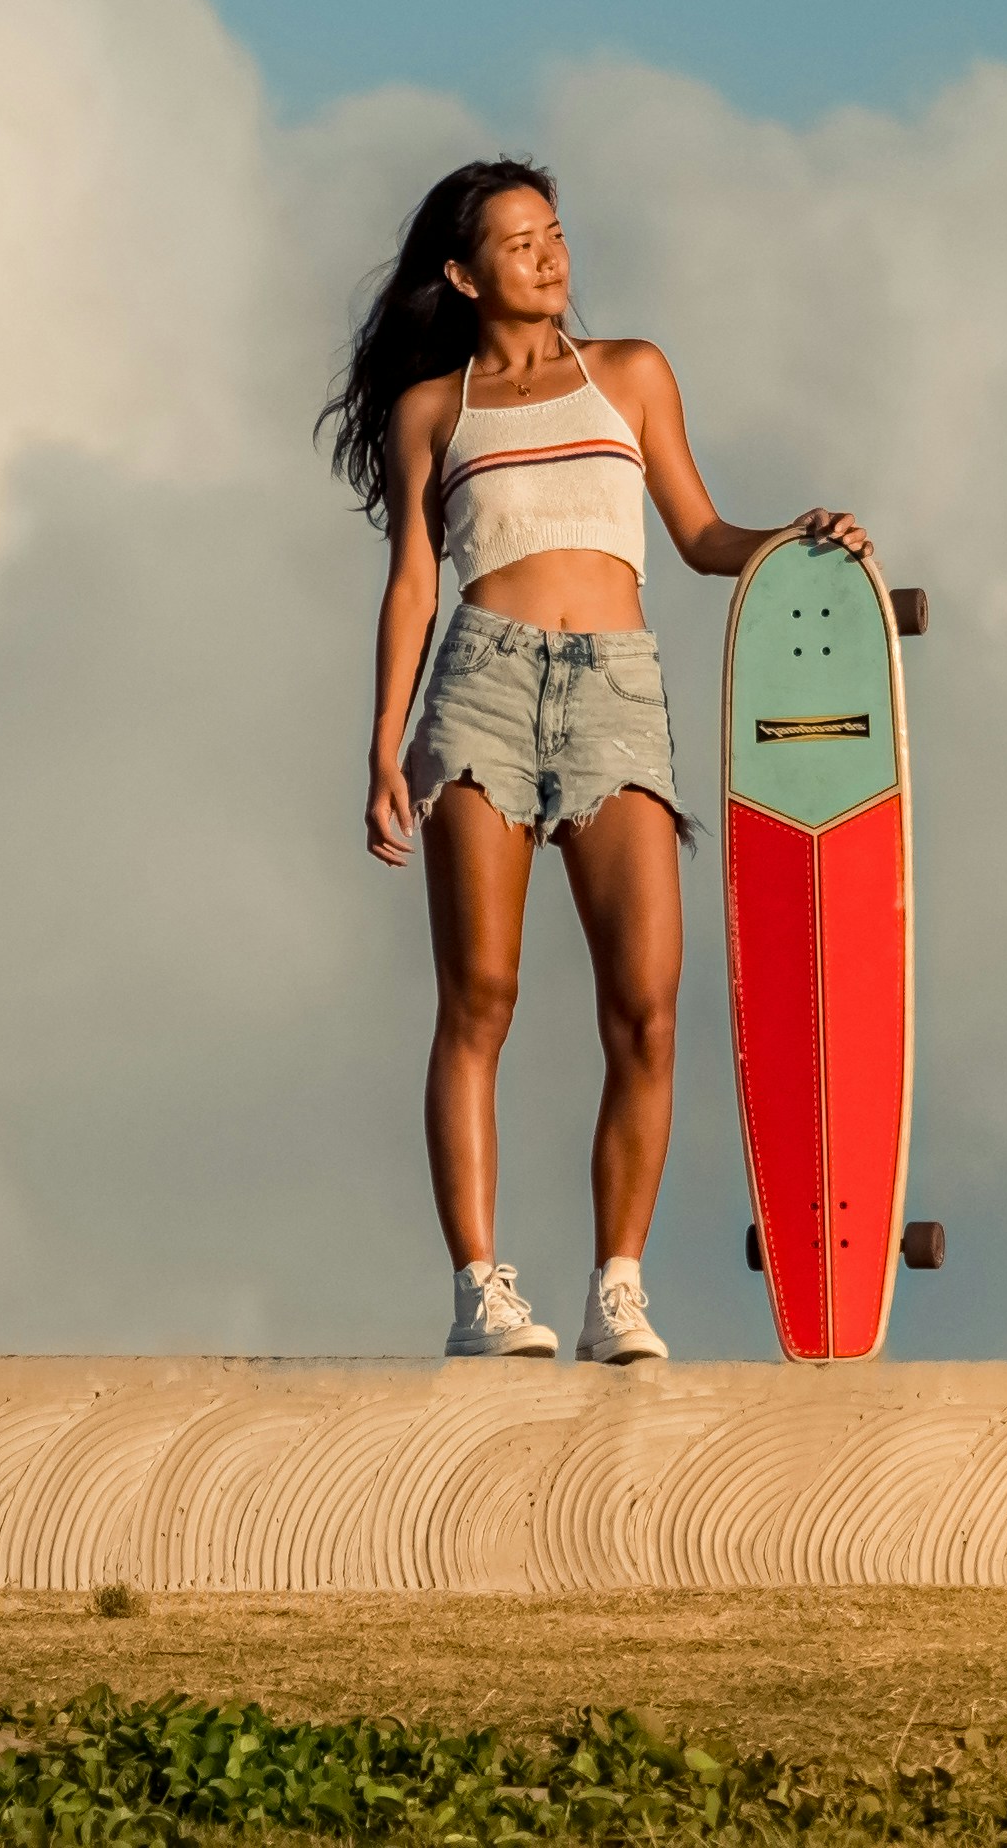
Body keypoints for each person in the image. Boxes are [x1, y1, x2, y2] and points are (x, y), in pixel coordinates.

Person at [322, 156, 869, 1364]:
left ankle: (616, 1287)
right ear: (464, 276)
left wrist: (796, 541)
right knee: (482, 999)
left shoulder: (628, 373)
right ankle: (481, 1291)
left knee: (649, 1011)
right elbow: (414, 580)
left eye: (555, 232)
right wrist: (380, 742)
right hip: (481, 683)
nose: (548, 255)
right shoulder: (435, 411)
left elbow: (699, 532)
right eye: (518, 242)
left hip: (616, 685)